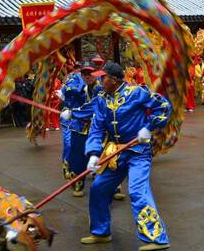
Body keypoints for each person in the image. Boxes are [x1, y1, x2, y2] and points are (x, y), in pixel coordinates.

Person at [81, 62, 171, 251]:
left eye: (103, 77)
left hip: (138, 152)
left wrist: (149, 127)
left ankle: (156, 237)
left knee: (137, 191)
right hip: (116, 153)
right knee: (98, 188)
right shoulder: (101, 99)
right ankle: (100, 232)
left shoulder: (137, 92)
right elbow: (97, 128)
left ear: (114, 80)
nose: (99, 79)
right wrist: (93, 154)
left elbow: (163, 106)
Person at [60, 60, 104, 197]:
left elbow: (94, 107)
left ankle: (111, 187)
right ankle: (78, 183)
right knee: (77, 156)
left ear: (96, 73)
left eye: (90, 73)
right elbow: (66, 91)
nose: (87, 75)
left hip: (98, 128)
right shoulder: (76, 82)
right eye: (84, 73)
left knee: (103, 156)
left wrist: (74, 113)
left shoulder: (101, 88)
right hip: (79, 126)